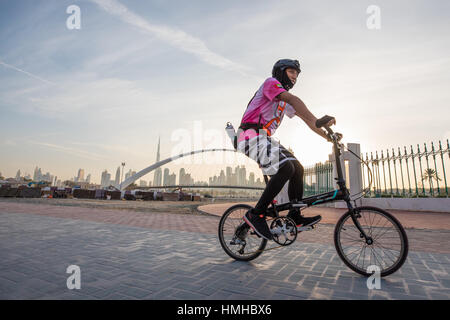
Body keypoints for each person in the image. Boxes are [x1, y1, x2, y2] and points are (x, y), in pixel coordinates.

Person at [237, 59, 336, 240]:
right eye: (292, 72)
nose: (295, 77)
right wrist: (319, 119)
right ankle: (256, 214)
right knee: (286, 168)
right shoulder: (270, 83)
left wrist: (328, 136)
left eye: (297, 74)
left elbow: (308, 121)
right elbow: (293, 99)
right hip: (248, 135)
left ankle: (295, 216)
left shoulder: (285, 101)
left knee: (296, 167)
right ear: (281, 71)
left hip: (263, 137)